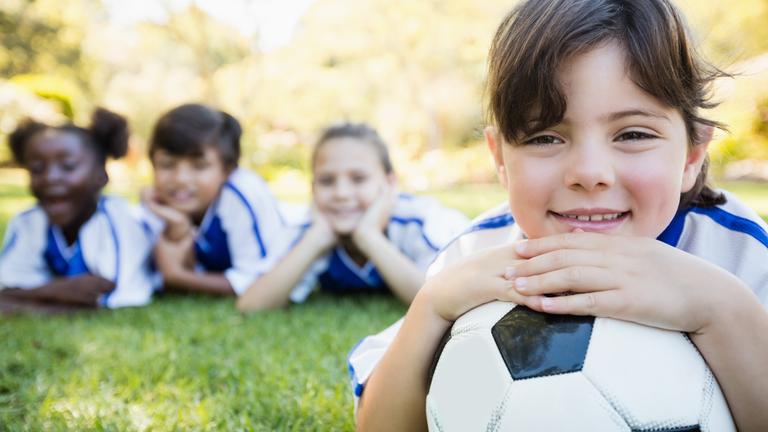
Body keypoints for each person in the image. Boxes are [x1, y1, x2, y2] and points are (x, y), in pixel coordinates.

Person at [350, 1, 768, 430]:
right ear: (500, 158)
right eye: (545, 137)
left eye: (633, 134)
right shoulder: (479, 254)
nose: (589, 174)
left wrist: (722, 309)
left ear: (692, 154)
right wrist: (432, 306)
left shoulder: (742, 254)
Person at [236, 122, 469, 311]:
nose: (341, 194)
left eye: (358, 179)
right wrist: (316, 240)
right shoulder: (311, 226)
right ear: (312, 188)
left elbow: (443, 300)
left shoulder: (417, 221)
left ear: (389, 183)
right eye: (327, 181)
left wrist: (369, 237)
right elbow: (251, 305)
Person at [0, 108, 156, 312]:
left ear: (101, 176)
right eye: (37, 168)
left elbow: (109, 299)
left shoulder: (120, 221)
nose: (50, 177)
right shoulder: (28, 222)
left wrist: (20, 299)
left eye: (68, 166)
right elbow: (7, 283)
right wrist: (58, 291)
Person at [141, 103, 289, 297]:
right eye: (167, 165)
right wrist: (177, 227)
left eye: (199, 166)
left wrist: (177, 276)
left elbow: (259, 283)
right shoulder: (158, 203)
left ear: (227, 169)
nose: (180, 179)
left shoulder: (241, 193)